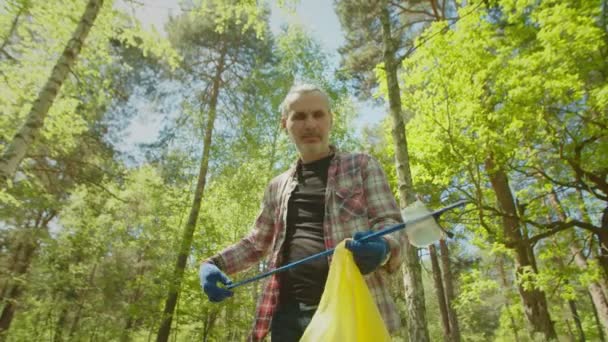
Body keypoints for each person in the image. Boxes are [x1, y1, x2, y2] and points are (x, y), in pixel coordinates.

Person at [199, 84, 407, 342]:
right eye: (299, 116)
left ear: (330, 119)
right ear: (284, 124)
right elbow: (256, 243)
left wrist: (383, 248)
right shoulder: (277, 186)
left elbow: (391, 224)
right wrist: (213, 264)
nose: (310, 124)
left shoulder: (362, 165)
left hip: (350, 309)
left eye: (318, 114)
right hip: (288, 316)